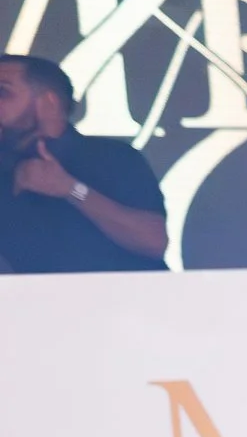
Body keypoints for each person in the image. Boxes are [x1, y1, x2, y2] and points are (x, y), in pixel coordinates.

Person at [0, 54, 168, 273]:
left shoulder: (112, 156)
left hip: (131, 303)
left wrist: (71, 189)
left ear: (48, 104)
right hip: (35, 305)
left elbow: (154, 242)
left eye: (3, 92)